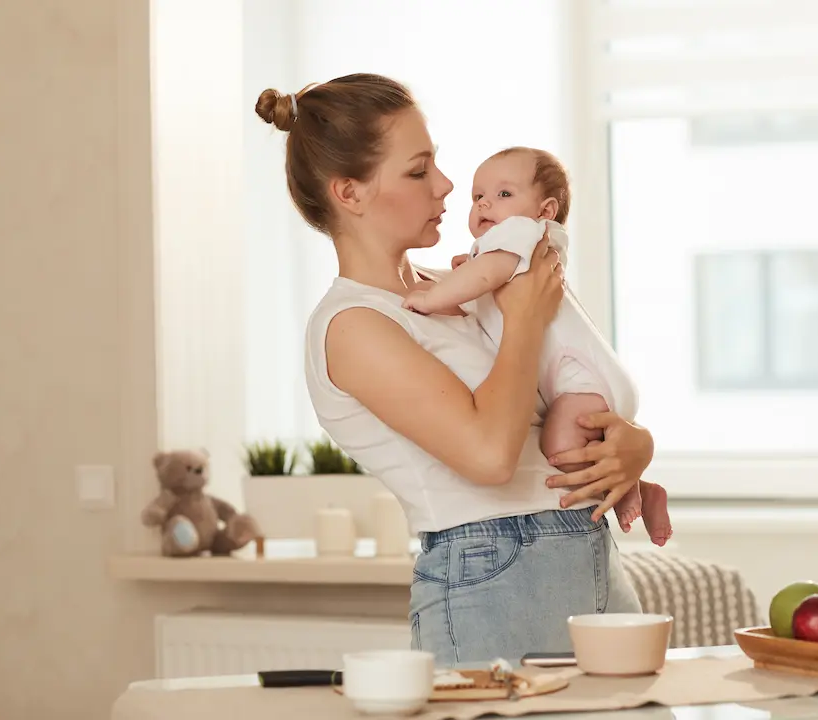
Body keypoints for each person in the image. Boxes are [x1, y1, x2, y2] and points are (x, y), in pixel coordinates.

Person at [253, 73, 653, 666]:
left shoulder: (463, 285)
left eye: (435, 164)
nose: (445, 186)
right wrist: (524, 320)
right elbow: (490, 456)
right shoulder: (353, 325)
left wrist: (634, 446)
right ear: (350, 193)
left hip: (588, 554)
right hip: (492, 578)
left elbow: (570, 379)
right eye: (418, 172)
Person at [402, 147, 672, 546]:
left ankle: (626, 488)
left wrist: (431, 297)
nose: (485, 203)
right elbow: (483, 286)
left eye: (504, 194)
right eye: (478, 197)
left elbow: (485, 277)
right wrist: (455, 281)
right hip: (574, 382)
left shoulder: (524, 233)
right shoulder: (505, 247)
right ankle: (637, 487)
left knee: (560, 451)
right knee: (580, 447)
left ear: (545, 210)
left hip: (581, 381)